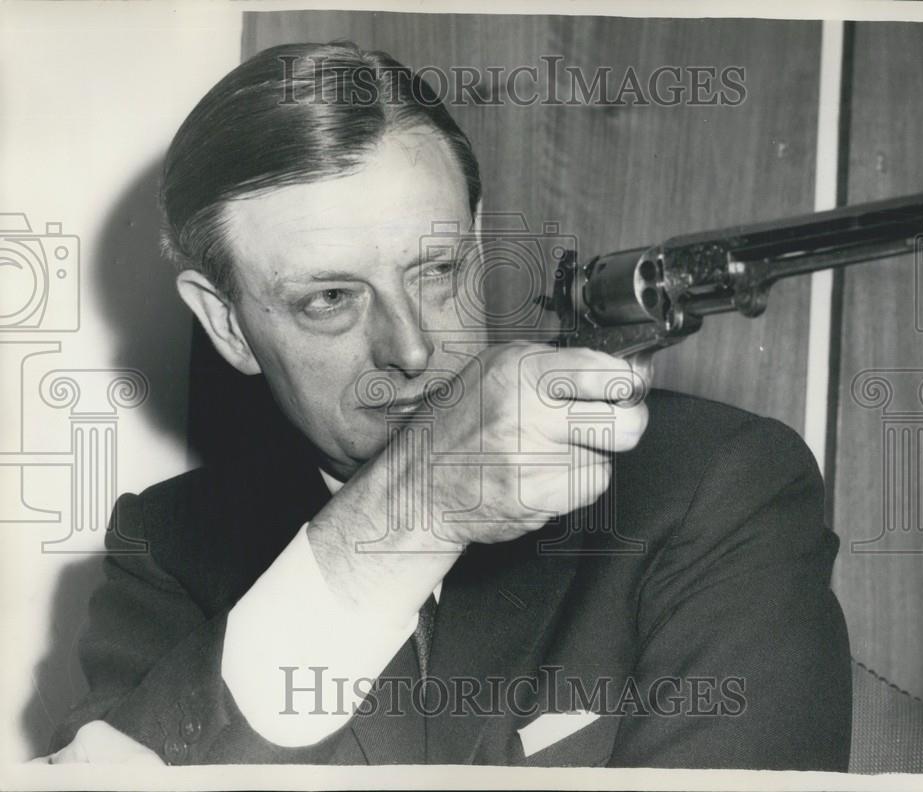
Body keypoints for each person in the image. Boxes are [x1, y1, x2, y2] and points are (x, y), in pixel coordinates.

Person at [45, 40, 852, 768]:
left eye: (436, 269)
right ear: (226, 324)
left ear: (477, 232)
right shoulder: (171, 550)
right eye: (330, 297)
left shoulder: (712, 485)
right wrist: (415, 507)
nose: (413, 348)